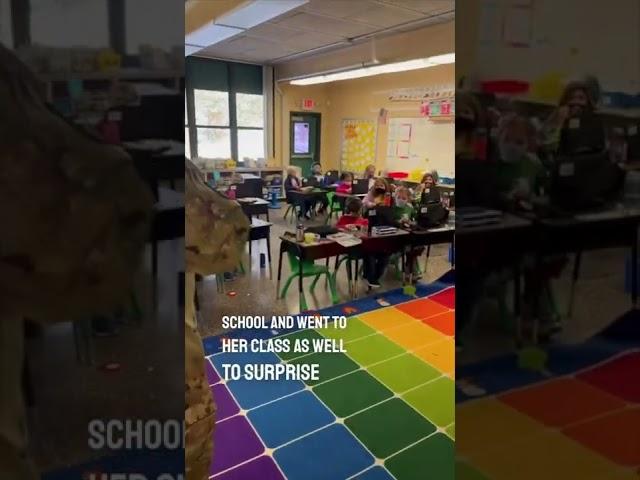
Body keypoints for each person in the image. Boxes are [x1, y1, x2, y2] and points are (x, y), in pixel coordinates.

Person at [541, 80, 597, 151]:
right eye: (571, 98)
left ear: (588, 102)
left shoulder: (592, 124)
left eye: (581, 98)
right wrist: (560, 122)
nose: (576, 101)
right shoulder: (553, 121)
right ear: (565, 101)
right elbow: (549, 148)